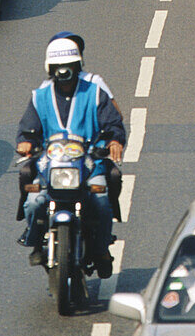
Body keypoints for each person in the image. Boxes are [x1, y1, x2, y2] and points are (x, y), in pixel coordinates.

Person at [15, 38, 126, 276]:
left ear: (78, 66)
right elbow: (28, 130)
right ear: (50, 69)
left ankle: (102, 248)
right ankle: (34, 242)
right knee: (34, 202)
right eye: (58, 67)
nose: (63, 71)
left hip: (89, 164)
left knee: (101, 201)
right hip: (50, 166)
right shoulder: (39, 96)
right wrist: (25, 143)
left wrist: (114, 141)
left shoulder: (95, 93)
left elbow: (114, 123)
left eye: (69, 65)